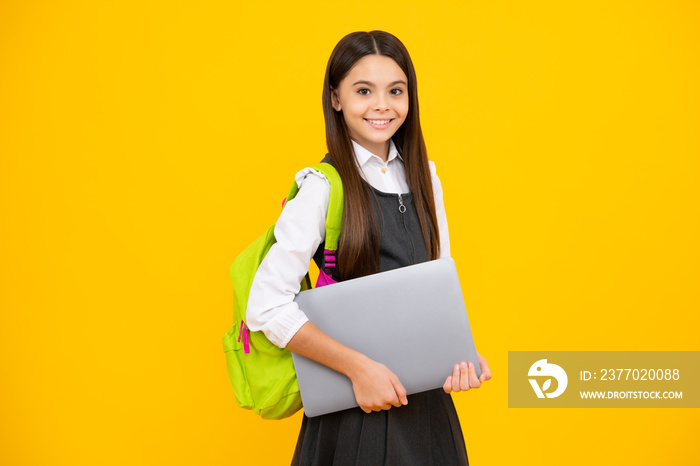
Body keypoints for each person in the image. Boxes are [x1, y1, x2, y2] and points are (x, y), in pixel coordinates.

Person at [246, 30, 492, 465]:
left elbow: (437, 286)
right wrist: (359, 369)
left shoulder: (425, 179)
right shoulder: (322, 188)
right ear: (336, 98)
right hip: (354, 417)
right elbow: (265, 307)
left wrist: (457, 351)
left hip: (426, 413)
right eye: (364, 91)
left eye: (396, 91)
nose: (382, 105)